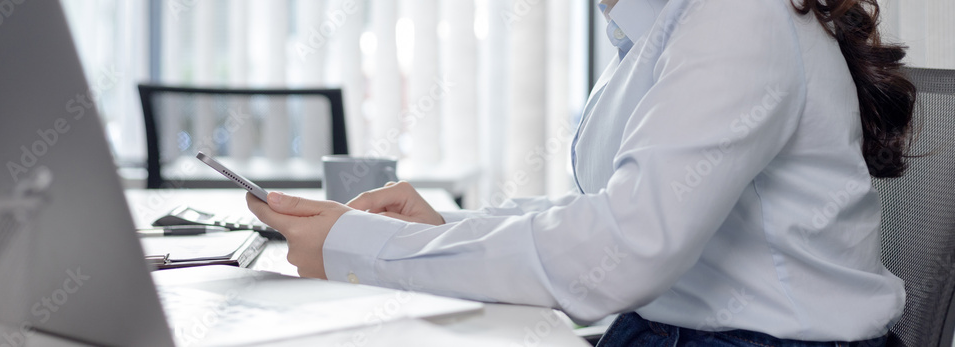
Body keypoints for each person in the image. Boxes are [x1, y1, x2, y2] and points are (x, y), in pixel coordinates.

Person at [247, 0, 916, 345]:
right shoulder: (668, 28)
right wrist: (446, 225)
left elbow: (622, 251)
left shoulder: (735, 19)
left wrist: (359, 247)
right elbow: (610, 212)